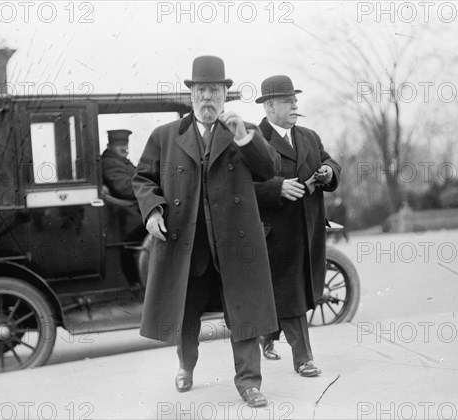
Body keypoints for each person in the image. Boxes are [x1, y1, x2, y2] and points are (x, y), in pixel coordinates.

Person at [132, 56, 280, 408]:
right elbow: (143, 179)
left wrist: (245, 138)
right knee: (185, 314)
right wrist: (152, 209)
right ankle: (186, 366)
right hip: (188, 245)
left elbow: (270, 170)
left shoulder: (242, 130)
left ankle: (249, 383)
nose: (208, 97)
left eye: (215, 90)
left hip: (236, 244)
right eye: (202, 90)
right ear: (191, 95)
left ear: (226, 94)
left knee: (243, 314)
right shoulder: (166, 136)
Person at [254, 75, 341, 377]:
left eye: (295, 99)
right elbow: (236, 188)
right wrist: (275, 188)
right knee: (290, 293)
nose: (295, 104)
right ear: (268, 106)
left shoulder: (309, 136)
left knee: (300, 290)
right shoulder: (255, 141)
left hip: (310, 230)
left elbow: (330, 161)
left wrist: (329, 170)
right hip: (276, 236)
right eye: (288, 100)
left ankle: (268, 338)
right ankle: (303, 358)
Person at [101, 129, 137, 200]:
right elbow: (126, 189)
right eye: (119, 145)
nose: (124, 148)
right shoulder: (110, 163)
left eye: (125, 144)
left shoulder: (121, 161)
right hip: (125, 208)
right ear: (109, 146)